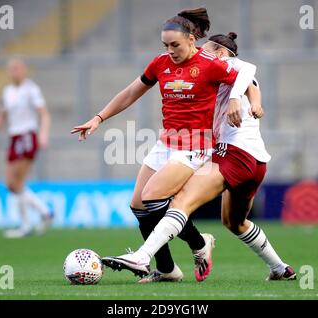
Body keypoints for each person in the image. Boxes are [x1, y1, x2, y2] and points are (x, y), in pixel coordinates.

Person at [71, 8, 256, 282]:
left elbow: (247, 78)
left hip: (196, 144)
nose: (170, 50)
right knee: (138, 205)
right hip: (166, 142)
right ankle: (168, 268)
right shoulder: (160, 64)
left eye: (175, 45)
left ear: (192, 40)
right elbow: (131, 92)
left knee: (153, 196)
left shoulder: (210, 64)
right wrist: (99, 118)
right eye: (166, 45)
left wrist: (237, 99)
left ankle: (199, 244)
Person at [102, 33, 297, 281]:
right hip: (256, 161)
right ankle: (280, 268)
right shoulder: (222, 73)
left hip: (232, 153)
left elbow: (247, 69)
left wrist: (242, 100)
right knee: (234, 222)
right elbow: (252, 84)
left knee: (181, 202)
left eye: (205, 51)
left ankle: (142, 256)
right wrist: (255, 103)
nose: (199, 57)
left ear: (220, 53)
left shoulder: (229, 65)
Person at [0, 57, 54, 238]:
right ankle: (44, 212)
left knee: (17, 182)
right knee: (11, 184)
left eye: (17, 68)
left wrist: (43, 134)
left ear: (24, 70)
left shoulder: (31, 89)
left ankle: (27, 224)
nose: (14, 72)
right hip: (14, 137)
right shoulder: (8, 92)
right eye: (11, 69)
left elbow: (44, 114)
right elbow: (1, 116)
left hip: (27, 136)